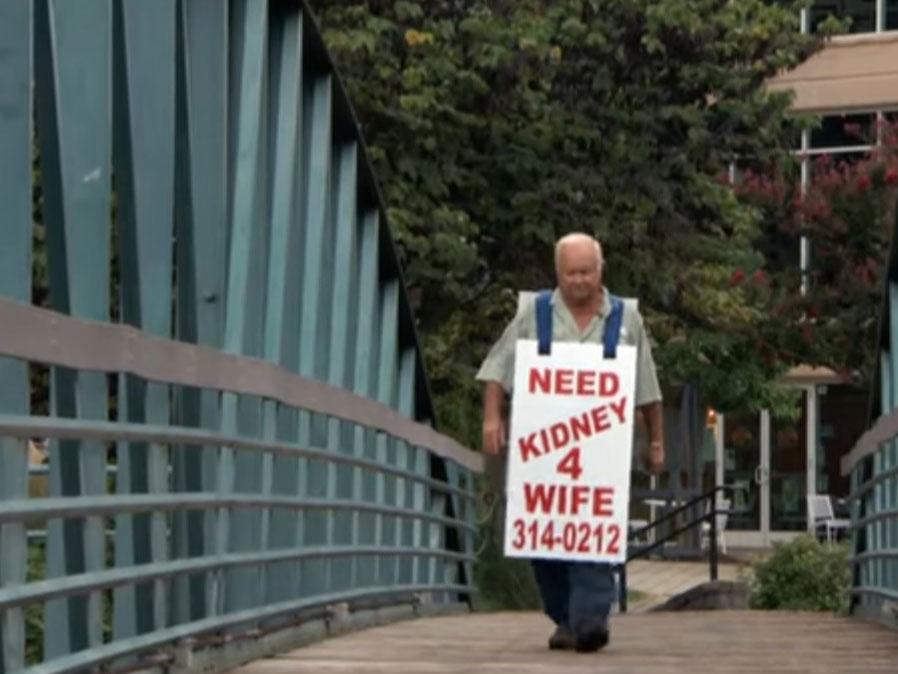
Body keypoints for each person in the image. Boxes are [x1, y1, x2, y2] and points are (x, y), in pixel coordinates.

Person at [477, 232, 665, 653]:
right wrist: (492, 417)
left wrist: (656, 443)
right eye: (570, 273)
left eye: (586, 271)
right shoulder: (535, 313)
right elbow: (496, 368)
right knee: (544, 540)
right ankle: (565, 618)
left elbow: (647, 387)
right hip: (542, 454)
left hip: (603, 456)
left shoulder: (626, 319)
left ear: (601, 270)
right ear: (557, 273)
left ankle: (591, 618)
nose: (579, 280)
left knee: (594, 532)